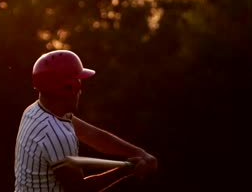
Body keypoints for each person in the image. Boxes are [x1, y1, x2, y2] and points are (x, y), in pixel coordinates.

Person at [14, 50, 157, 192]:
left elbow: (90, 134)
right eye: (79, 83)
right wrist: (127, 169)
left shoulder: (34, 111)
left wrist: (139, 153)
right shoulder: (57, 135)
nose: (80, 91)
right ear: (69, 88)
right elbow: (81, 190)